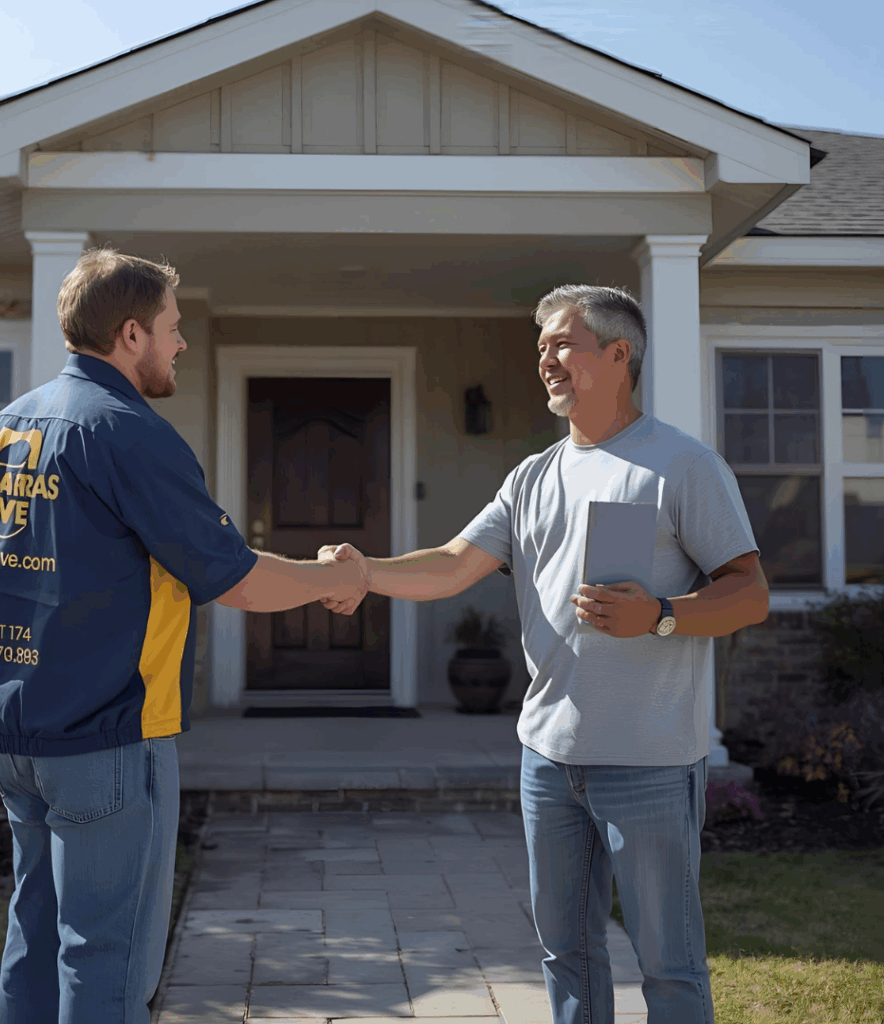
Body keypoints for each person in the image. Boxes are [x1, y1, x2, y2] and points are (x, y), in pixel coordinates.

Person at [0, 247, 367, 1024]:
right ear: (132, 333)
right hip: (108, 738)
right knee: (104, 956)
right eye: (172, 328)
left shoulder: (5, 427)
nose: (182, 343)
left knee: (35, 932)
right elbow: (235, 579)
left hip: (13, 739)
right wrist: (334, 579)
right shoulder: (127, 433)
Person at [320, 284, 769, 1024]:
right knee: (568, 957)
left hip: (651, 761)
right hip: (549, 760)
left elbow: (749, 592)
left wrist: (660, 615)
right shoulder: (532, 476)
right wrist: (365, 573)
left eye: (562, 344)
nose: (545, 360)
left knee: (671, 966)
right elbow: (452, 564)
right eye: (540, 349)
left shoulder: (682, 465)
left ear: (619, 354)